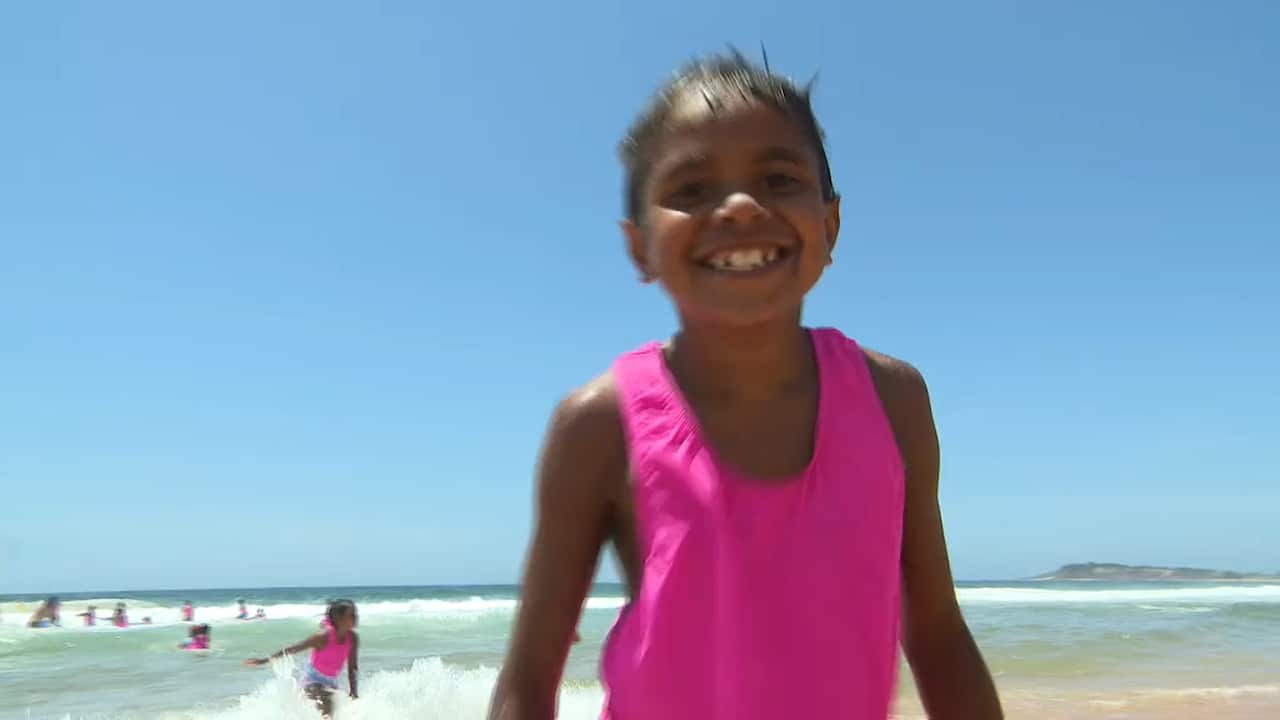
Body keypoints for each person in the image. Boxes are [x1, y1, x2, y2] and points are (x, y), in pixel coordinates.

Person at [488, 53, 1003, 720]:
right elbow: (529, 678)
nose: (738, 207)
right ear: (640, 246)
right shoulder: (598, 424)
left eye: (779, 178)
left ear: (830, 226)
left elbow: (937, 634)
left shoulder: (893, 399)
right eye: (692, 190)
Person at [245, 599, 359, 718]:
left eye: (355, 614)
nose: (355, 617)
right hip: (312, 680)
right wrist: (265, 660)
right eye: (351, 615)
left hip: (332, 681)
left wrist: (354, 692)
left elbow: (353, 667)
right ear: (338, 618)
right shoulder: (322, 637)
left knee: (332, 709)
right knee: (327, 702)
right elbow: (293, 649)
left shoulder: (352, 638)